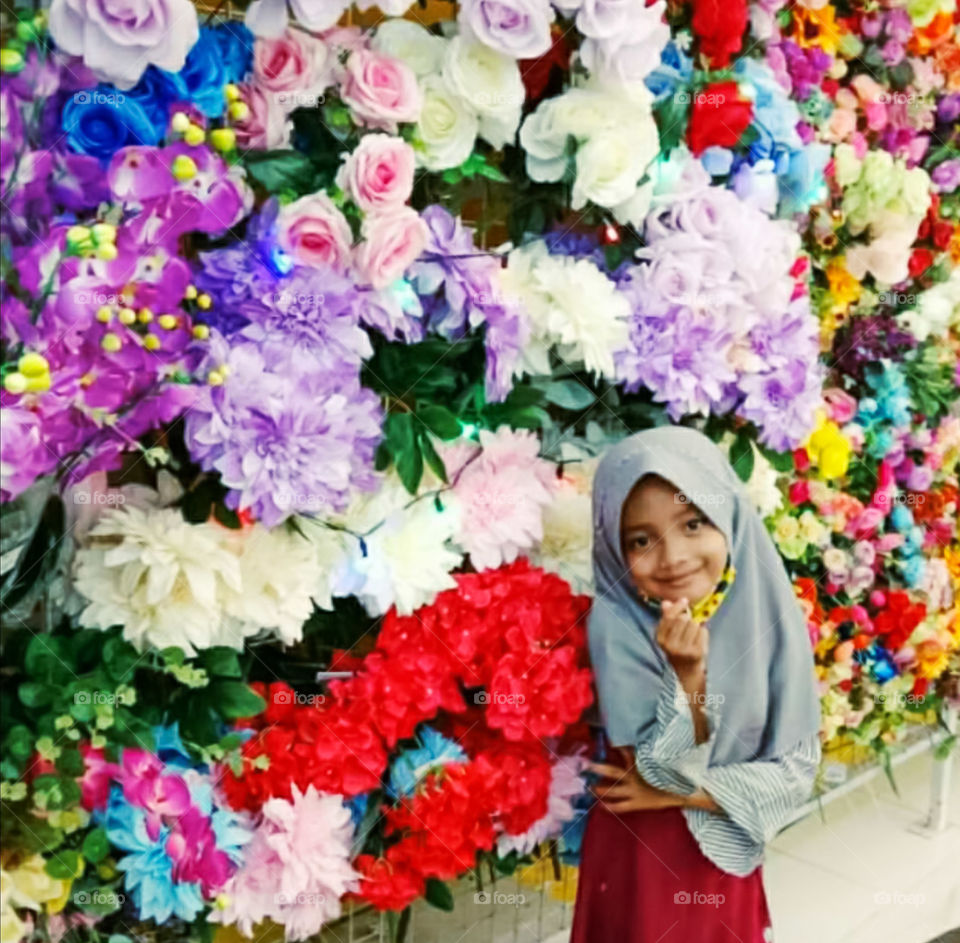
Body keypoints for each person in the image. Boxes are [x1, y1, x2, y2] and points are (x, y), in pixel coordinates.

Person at [570, 425, 822, 943]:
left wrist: (693, 794)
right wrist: (687, 676)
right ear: (616, 550)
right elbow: (657, 773)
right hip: (644, 848)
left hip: (724, 846)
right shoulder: (617, 621)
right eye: (641, 540)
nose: (673, 557)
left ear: (728, 514)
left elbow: (797, 772)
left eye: (692, 524)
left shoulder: (766, 607)